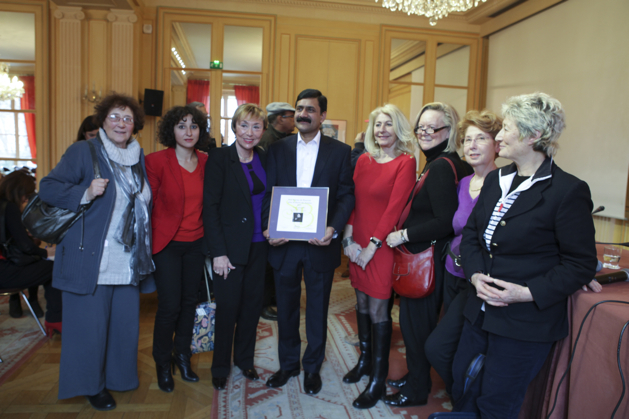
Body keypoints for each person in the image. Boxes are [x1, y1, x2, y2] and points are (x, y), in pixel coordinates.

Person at [449, 93, 597, 419]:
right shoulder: (496, 180)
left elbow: (580, 263)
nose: (498, 137)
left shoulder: (567, 191)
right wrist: (474, 275)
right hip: (479, 310)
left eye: (507, 129)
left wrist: (526, 293)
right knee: (461, 385)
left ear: (532, 137)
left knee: (497, 405)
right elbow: (472, 236)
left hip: (525, 323)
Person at [39, 93, 154, 411]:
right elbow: (47, 187)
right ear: (103, 120)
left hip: (128, 261)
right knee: (88, 331)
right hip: (89, 260)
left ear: (135, 126)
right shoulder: (84, 151)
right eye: (115, 116)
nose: (121, 123)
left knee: (123, 328)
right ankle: (92, 386)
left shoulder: (137, 157)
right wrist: (84, 192)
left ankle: (118, 379)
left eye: (128, 118)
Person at [262, 89, 355, 395]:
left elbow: (345, 196)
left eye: (310, 110)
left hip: (320, 242)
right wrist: (268, 227)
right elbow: (268, 192)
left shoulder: (340, 152)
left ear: (322, 115)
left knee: (317, 309)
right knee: (286, 307)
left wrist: (333, 227)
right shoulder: (277, 150)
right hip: (284, 243)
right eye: (300, 109)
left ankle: (312, 367)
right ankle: (288, 365)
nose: (303, 114)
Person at [384, 102, 470, 407]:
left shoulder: (439, 167)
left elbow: (445, 220)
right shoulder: (449, 163)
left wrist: (402, 235)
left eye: (433, 128)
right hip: (435, 258)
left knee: (415, 328)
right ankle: (414, 377)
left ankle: (417, 390)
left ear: (450, 131)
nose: (425, 133)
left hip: (425, 260)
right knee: (418, 326)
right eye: (421, 127)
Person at [342, 104, 416, 409]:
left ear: (397, 128)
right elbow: (354, 201)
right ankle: (364, 361)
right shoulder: (363, 160)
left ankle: (377, 377)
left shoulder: (406, 162)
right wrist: (348, 240)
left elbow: (394, 209)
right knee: (360, 301)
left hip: (381, 246)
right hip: (358, 242)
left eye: (388, 124)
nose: (381, 130)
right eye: (377, 124)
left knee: (378, 310)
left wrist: (373, 246)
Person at [422, 109, 501, 396]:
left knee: (438, 347)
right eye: (468, 139)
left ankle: (467, 399)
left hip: (475, 279)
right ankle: (464, 397)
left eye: (482, 138)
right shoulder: (465, 183)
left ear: (497, 145)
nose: (473, 145)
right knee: (453, 345)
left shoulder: (503, 184)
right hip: (450, 272)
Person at [204, 103, 269, 390]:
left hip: (260, 246)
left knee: (251, 308)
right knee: (228, 309)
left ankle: (245, 361)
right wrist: (218, 252)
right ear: (234, 127)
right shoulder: (219, 158)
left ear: (263, 131)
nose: (249, 132)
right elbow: (210, 207)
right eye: (244, 125)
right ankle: (220, 366)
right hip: (229, 250)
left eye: (256, 126)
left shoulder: (265, 158)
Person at [145, 105, 210, 393]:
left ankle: (183, 357)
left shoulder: (208, 161)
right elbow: (147, 207)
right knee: (169, 306)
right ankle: (162, 362)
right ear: (171, 129)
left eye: (193, 126)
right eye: (182, 126)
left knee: (189, 305)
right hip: (167, 245)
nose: (188, 132)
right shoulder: (156, 161)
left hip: (197, 243)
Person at [0, 170, 62, 332]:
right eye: (27, 195)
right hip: (4, 273)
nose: (27, 199)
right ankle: (55, 319)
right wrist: (47, 254)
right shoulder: (10, 208)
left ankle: (51, 315)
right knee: (54, 266)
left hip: (4, 268)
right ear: (20, 193)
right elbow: (26, 247)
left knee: (43, 265)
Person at [259, 102, 296, 321]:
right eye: (291, 116)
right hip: (271, 206)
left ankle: (272, 298)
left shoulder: (282, 139)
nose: (295, 120)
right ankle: (264, 303)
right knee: (267, 260)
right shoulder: (268, 142)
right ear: (279, 118)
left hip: (283, 205)